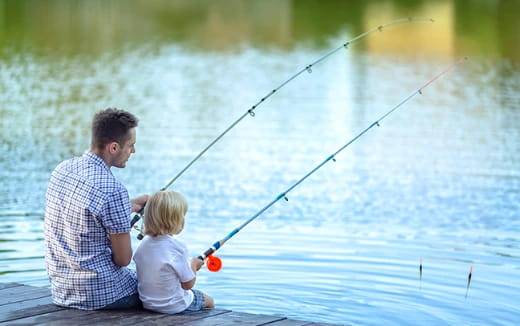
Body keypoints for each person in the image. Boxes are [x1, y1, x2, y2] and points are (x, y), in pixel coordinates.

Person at [44, 108, 149, 310]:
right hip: (100, 294)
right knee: (168, 288)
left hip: (62, 290)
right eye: (131, 145)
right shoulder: (113, 189)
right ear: (113, 147)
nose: (133, 152)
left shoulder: (62, 169)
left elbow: (84, 213)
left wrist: (130, 205)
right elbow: (123, 259)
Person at [133, 191, 215, 314]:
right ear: (176, 221)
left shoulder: (143, 244)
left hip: (148, 304)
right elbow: (188, 285)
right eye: (183, 216)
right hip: (174, 306)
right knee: (209, 301)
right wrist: (194, 264)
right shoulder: (178, 247)